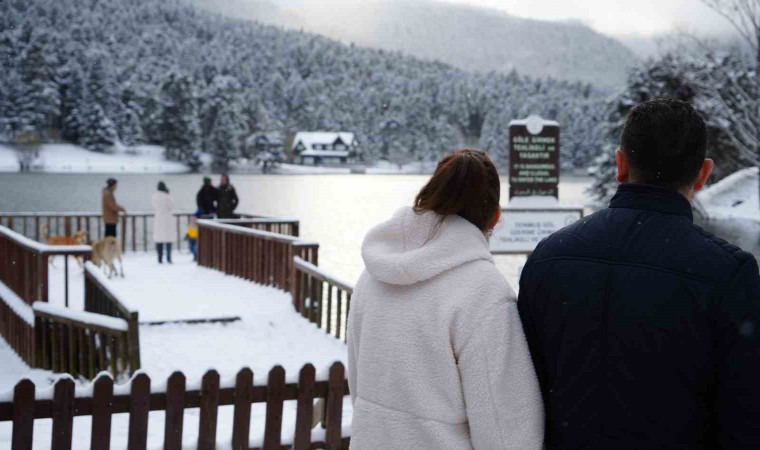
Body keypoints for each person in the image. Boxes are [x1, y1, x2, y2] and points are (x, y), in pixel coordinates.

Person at [518, 98, 760, 449]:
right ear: (703, 174)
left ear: (621, 164)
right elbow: (746, 416)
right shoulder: (728, 273)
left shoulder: (548, 258)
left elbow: (523, 390)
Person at [347, 149, 543, 449]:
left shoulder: (373, 277)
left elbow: (358, 382)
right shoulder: (482, 290)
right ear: (496, 216)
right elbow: (505, 427)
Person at [151, 181, 176, 264]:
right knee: (168, 240)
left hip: (158, 219)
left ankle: (159, 258)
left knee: (159, 240)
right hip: (167, 220)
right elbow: (172, 205)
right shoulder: (167, 197)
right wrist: (168, 194)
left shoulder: (154, 197)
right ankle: (168, 258)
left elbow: (153, 206)